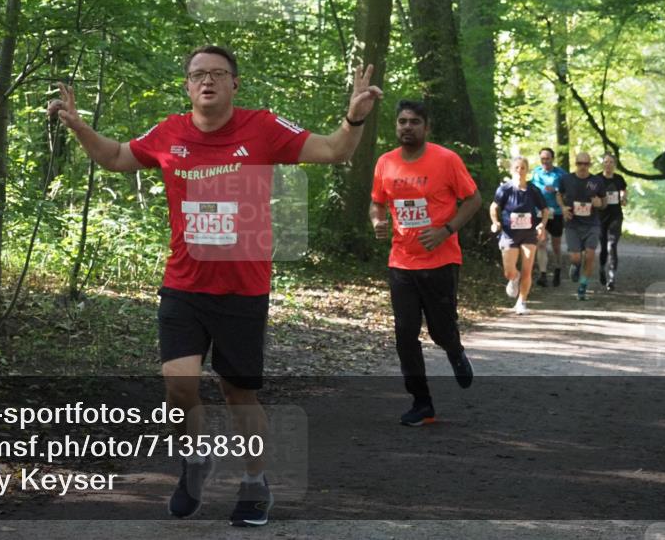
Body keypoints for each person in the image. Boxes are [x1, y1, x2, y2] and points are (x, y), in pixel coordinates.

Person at [48, 45, 381, 526]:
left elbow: (334, 150)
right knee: (178, 386)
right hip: (184, 283)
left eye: (218, 74)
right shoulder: (169, 133)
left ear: (234, 84)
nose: (207, 81)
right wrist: (79, 126)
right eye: (198, 74)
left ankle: (253, 482)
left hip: (243, 288)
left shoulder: (262, 128)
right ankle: (195, 460)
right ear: (187, 86)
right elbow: (118, 157)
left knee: (236, 394)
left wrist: (353, 119)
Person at [369, 100, 482, 426]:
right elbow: (377, 204)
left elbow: (473, 200)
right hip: (401, 261)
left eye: (414, 122)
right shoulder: (385, 163)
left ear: (426, 127)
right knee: (404, 333)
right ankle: (422, 403)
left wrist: (446, 230)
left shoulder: (446, 160)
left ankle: (455, 350)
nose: (407, 127)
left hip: (441, 260)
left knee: (441, 330)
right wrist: (376, 222)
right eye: (402, 121)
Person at [489, 156, 550, 315]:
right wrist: (495, 222)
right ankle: (514, 278)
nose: (520, 171)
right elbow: (494, 207)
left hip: (529, 234)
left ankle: (522, 302)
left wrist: (542, 225)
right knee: (509, 271)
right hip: (509, 234)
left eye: (523, 168)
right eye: (517, 167)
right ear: (511, 170)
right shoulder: (505, 189)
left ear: (527, 170)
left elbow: (545, 210)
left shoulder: (533, 190)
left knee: (527, 269)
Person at [557, 152, 605, 301]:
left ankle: (582, 287)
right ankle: (576, 266)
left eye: (586, 164)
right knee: (576, 257)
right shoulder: (566, 179)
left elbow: (604, 203)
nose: (583, 167)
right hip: (573, 224)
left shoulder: (597, 181)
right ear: (575, 164)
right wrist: (563, 208)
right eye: (580, 163)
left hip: (592, 224)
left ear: (590, 165)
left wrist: (599, 203)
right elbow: (559, 194)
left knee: (590, 256)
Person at [530, 147, 567, 288]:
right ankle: (543, 274)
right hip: (539, 212)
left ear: (553, 159)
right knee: (542, 242)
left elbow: (567, 191)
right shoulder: (536, 172)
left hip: (555, 213)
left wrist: (556, 190)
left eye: (548, 158)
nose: (545, 161)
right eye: (543, 158)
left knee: (556, 245)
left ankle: (557, 269)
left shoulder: (561, 174)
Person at [596, 153, 628, 292]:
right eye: (606, 162)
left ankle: (612, 277)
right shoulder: (596, 179)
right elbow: (591, 194)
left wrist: (623, 198)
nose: (608, 164)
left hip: (616, 216)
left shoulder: (619, 179)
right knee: (603, 247)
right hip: (600, 217)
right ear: (603, 163)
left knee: (612, 245)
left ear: (614, 164)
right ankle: (602, 268)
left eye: (611, 162)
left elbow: (624, 192)